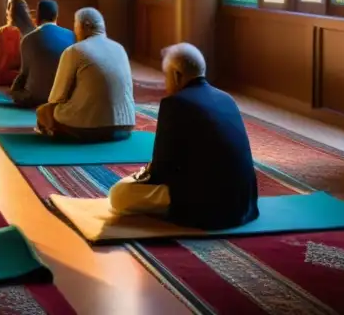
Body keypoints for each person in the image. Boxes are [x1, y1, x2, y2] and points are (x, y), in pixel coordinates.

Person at [108, 43, 260, 230]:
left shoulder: (175, 103)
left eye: (166, 77)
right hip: (245, 202)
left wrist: (137, 178)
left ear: (176, 75)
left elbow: (161, 171)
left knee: (119, 194)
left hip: (206, 207)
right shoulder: (226, 97)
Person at [36, 8, 135, 142]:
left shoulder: (74, 51)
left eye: (75, 25)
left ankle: (55, 132)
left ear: (85, 26)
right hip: (125, 126)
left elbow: (56, 97)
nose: (75, 30)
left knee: (44, 111)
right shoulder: (119, 48)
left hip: (88, 128)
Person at [10, 0, 75, 107]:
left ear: (37, 17)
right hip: (64, 98)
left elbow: (24, 73)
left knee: (17, 89)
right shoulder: (73, 36)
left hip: (35, 98)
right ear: (56, 16)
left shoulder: (28, 39)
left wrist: (13, 90)